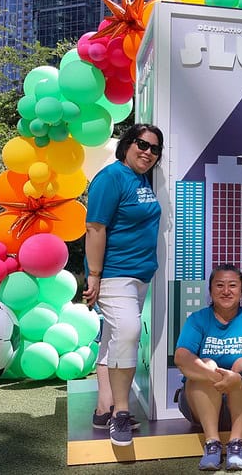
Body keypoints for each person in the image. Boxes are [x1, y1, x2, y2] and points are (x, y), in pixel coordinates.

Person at [82, 124, 163, 447]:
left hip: (139, 275)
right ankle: (121, 412)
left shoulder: (140, 179)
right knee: (128, 332)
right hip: (115, 274)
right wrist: (94, 275)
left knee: (114, 340)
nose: (148, 152)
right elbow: (95, 227)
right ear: (127, 144)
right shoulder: (111, 177)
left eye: (155, 149)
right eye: (142, 145)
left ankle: (103, 409)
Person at [174, 264, 242, 471]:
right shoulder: (197, 319)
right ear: (210, 291)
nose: (226, 291)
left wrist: (240, 377)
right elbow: (181, 357)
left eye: (232, 285)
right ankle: (212, 444)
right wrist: (216, 376)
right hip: (199, 407)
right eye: (219, 285)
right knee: (208, 365)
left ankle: (236, 444)